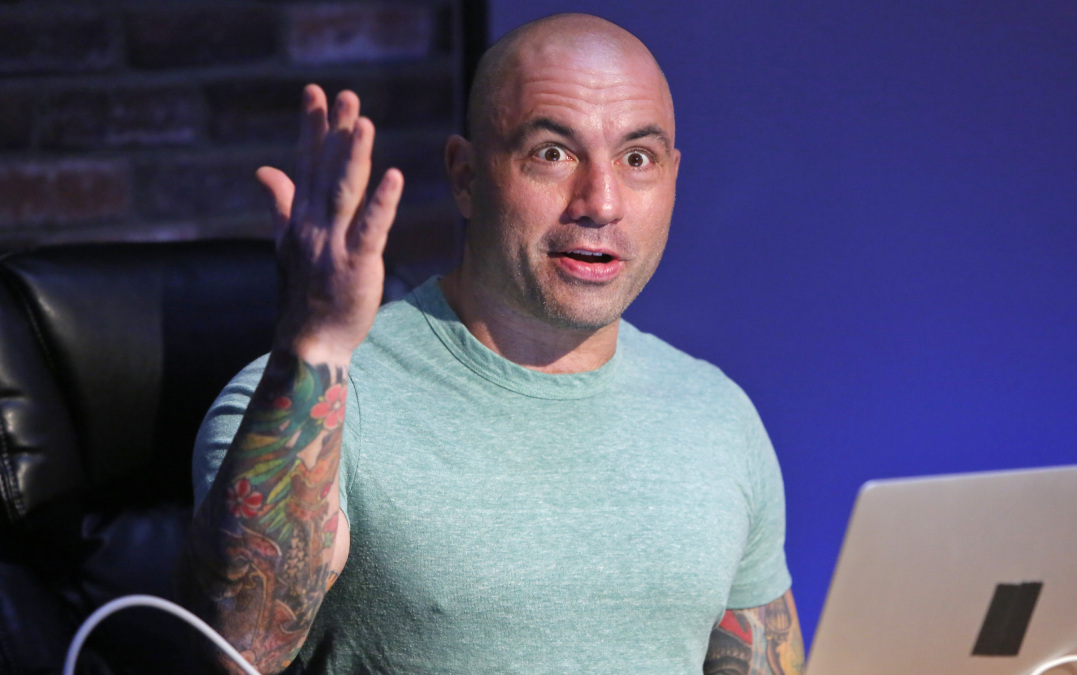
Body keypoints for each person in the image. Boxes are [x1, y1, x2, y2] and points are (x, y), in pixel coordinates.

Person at [181, 13, 802, 675]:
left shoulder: (719, 414)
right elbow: (241, 647)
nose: (601, 202)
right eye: (552, 153)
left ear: (673, 178)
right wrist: (315, 345)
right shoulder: (322, 395)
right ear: (467, 177)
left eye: (637, 159)